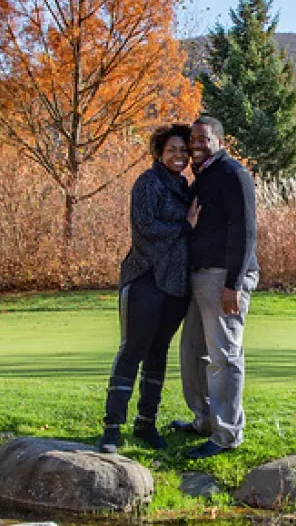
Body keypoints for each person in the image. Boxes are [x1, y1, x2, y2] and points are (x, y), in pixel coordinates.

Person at [98, 124, 200, 454]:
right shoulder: (148, 183)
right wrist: (185, 225)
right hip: (145, 279)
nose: (179, 156)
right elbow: (145, 228)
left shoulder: (185, 187)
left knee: (158, 355)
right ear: (159, 152)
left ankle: (146, 423)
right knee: (132, 352)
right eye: (172, 150)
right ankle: (112, 429)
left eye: (184, 151)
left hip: (176, 285)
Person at [172, 116, 260, 459]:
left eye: (202, 139)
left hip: (224, 277)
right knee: (193, 352)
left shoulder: (233, 174)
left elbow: (245, 232)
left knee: (224, 356)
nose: (195, 144)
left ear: (220, 141)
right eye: (191, 138)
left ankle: (227, 433)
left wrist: (233, 285)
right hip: (199, 275)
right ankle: (205, 419)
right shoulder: (202, 177)